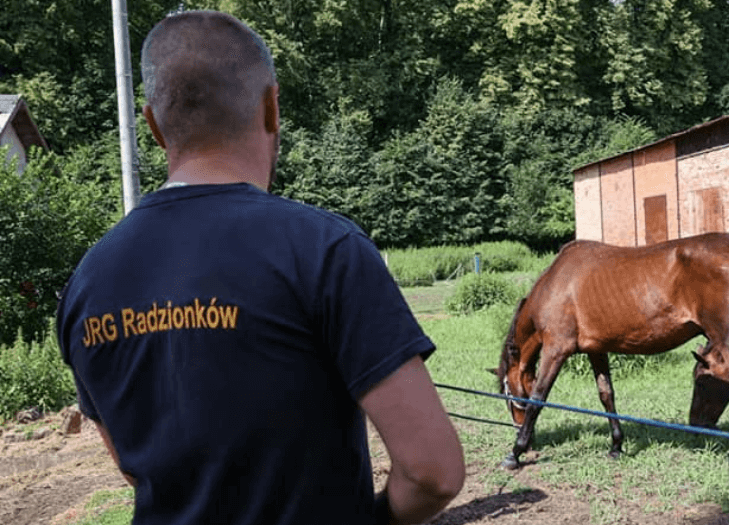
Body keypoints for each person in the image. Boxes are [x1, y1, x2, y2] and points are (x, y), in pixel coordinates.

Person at [55, 10, 464, 525]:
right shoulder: (324, 249)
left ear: (154, 126)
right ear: (272, 107)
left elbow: (135, 470)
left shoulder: (87, 282)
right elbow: (434, 471)